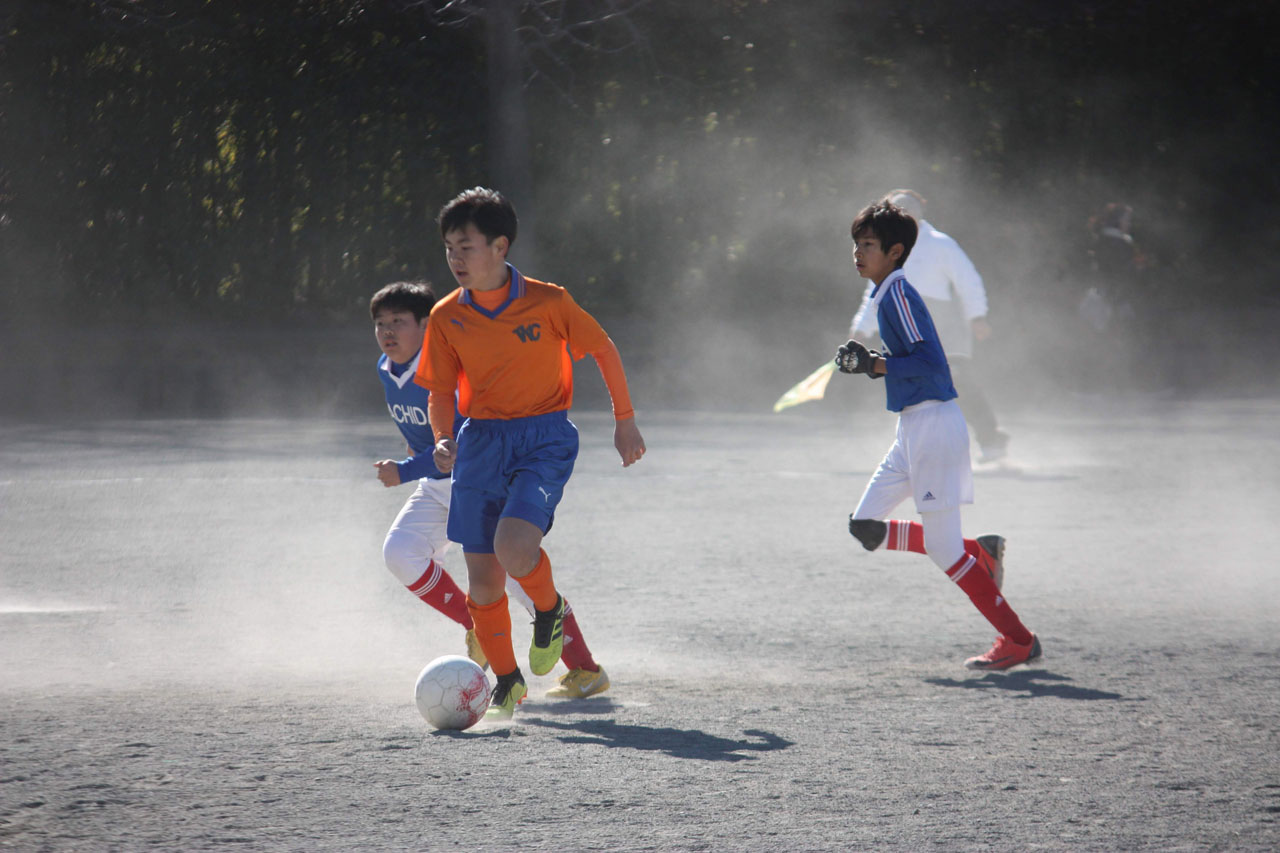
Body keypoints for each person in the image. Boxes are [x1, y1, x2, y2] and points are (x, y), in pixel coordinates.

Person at [415, 188, 646, 719]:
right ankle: (507, 682)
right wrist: (444, 437)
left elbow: (603, 349)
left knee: (515, 550)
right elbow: (440, 392)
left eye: (466, 247)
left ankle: (550, 610)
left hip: (543, 438)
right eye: (449, 248)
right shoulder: (447, 316)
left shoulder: (548, 301)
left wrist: (625, 419)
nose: (455, 258)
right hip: (480, 443)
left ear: (500, 246)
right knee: (483, 582)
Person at [370, 280, 611, 702]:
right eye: (380, 323)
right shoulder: (386, 367)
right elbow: (427, 437)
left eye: (399, 321)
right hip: (438, 486)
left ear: (427, 326)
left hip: (477, 480)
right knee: (400, 552)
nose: (388, 331)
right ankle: (477, 626)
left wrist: (405, 469)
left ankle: (587, 671)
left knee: (517, 579)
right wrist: (417, 456)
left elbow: (460, 444)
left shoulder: (446, 368)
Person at [836, 200, 1041, 671]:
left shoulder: (898, 295)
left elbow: (932, 361)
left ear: (895, 252)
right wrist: (870, 362)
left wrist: (875, 364)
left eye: (868, 244)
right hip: (911, 429)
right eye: (856, 244)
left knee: (943, 551)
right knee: (865, 526)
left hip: (933, 427)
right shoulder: (884, 293)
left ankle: (1019, 640)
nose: (858, 252)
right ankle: (979, 552)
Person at [848, 189, 1010, 463]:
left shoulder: (941, 244)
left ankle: (991, 438)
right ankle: (922, 447)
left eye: (910, 211)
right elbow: (876, 293)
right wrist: (861, 328)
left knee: (956, 378)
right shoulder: (884, 249)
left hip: (944, 323)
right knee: (916, 384)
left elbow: (968, 280)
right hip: (905, 323)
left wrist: (977, 316)